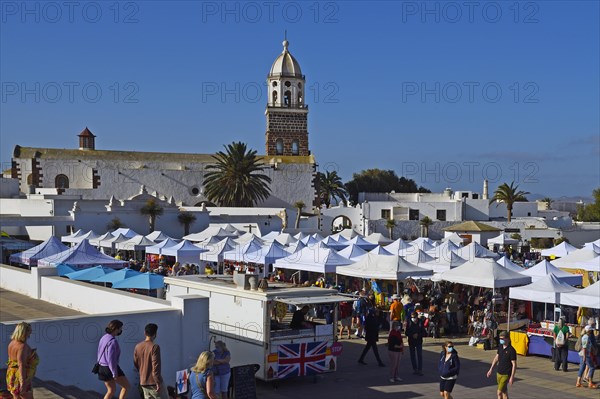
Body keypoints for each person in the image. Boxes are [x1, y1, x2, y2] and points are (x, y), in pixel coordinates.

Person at [97, 319, 130, 399]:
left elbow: (99, 351)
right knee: (126, 387)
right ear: (116, 329)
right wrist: (114, 373)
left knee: (111, 390)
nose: (121, 330)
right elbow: (111, 359)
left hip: (101, 367)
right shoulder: (113, 341)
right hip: (110, 368)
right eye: (120, 329)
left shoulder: (104, 337)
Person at [133, 323, 168, 399]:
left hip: (143, 382)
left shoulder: (137, 346)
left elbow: (135, 363)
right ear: (155, 334)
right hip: (153, 382)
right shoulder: (155, 347)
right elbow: (156, 366)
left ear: (144, 333)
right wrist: (158, 382)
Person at [6, 322, 39, 399]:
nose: (29, 335)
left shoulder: (12, 343)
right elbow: (21, 365)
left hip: (12, 375)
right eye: (28, 333)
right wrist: (23, 383)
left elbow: (13, 361)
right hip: (20, 377)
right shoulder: (22, 347)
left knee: (16, 397)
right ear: (23, 332)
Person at [486, 331, 517, 399]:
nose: (501, 340)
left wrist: (512, 377)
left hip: (506, 374)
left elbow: (514, 364)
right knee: (504, 392)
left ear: (508, 339)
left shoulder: (511, 350)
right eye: (500, 339)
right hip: (499, 372)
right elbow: (496, 358)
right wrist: (491, 369)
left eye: (502, 339)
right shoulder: (500, 347)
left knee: (499, 392)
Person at [406, 311, 426, 375]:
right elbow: (406, 332)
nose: (413, 318)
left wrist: (418, 335)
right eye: (412, 317)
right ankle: (415, 369)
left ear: (417, 317)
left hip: (419, 341)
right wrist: (412, 335)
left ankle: (420, 369)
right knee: (412, 355)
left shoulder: (420, 322)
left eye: (414, 317)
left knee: (419, 355)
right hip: (411, 341)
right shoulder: (409, 322)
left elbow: (424, 333)